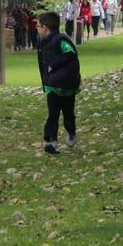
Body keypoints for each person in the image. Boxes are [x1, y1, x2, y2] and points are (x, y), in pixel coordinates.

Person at [35, 11, 80, 155]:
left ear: (46, 28)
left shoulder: (61, 40)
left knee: (68, 114)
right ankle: (51, 142)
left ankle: (71, 131)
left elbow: (70, 54)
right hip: (52, 85)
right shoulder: (43, 43)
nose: (36, 28)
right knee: (53, 114)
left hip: (66, 85)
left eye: (38, 26)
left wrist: (53, 65)